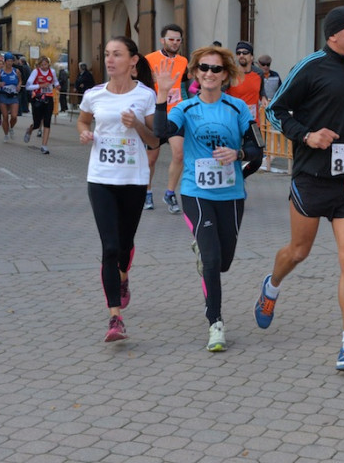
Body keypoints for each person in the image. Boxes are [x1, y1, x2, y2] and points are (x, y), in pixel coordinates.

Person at [254, 5, 344, 372]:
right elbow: (276, 111)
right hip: (312, 179)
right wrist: (307, 136)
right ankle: (272, 285)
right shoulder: (311, 66)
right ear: (334, 36)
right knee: (298, 252)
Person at [153, 46, 263, 351]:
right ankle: (215, 323)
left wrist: (237, 154)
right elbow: (159, 133)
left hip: (231, 193)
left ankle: (204, 249)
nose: (209, 74)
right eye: (203, 68)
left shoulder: (237, 108)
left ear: (225, 75)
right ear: (195, 73)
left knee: (224, 261)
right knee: (213, 261)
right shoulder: (185, 109)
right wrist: (162, 96)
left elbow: (257, 151)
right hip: (195, 192)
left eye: (216, 69)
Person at [77, 36, 159, 342]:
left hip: (134, 180)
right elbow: (83, 121)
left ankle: (124, 276)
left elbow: (154, 141)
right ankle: (115, 319)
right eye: (107, 54)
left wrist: (137, 124)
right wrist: (85, 133)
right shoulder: (94, 94)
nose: (110, 60)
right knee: (109, 248)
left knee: (124, 245)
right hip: (100, 179)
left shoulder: (146, 96)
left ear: (133, 60)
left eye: (117, 54)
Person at [144, 24, 189, 213]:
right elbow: (142, 87)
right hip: (156, 113)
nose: (175, 43)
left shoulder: (184, 61)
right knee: (151, 159)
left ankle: (170, 193)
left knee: (179, 154)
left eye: (178, 40)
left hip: (176, 113)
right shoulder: (149, 59)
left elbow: (185, 87)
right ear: (162, 40)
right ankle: (147, 192)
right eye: (171, 39)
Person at [227, 41, 264, 177]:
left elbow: (260, 91)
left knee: (258, 158)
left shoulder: (259, 73)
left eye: (245, 53)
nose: (241, 55)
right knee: (231, 155)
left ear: (252, 57)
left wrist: (264, 98)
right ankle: (230, 184)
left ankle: (241, 177)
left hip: (253, 123)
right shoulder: (230, 75)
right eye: (238, 53)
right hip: (233, 122)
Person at [24, 56, 59, 154]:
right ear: (39, 65)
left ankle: (44, 146)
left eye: (46, 64)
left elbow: (55, 81)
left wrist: (57, 86)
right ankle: (30, 130)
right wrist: (40, 86)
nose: (44, 67)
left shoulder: (52, 72)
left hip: (48, 98)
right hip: (38, 99)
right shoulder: (35, 72)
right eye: (42, 65)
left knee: (47, 122)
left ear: (49, 64)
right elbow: (28, 86)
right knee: (37, 123)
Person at [0, 52, 22, 141]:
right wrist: (0, 84)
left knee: (14, 116)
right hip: (3, 95)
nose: (10, 63)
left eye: (11, 61)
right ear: (5, 62)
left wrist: (18, 85)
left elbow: (20, 81)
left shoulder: (16, 71)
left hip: (13, 95)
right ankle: (6, 134)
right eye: (8, 61)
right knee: (5, 116)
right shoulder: (1, 72)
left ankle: (11, 127)